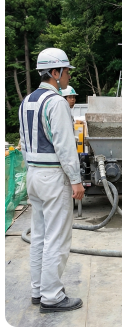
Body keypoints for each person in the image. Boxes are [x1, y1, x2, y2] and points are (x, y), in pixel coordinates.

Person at [19, 48, 84, 313]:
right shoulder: (56, 102)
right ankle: (52, 296)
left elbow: (24, 143)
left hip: (34, 174)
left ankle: (39, 290)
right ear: (55, 73)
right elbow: (65, 146)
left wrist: (31, 170)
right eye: (66, 71)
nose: (68, 76)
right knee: (57, 237)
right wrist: (76, 180)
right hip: (54, 176)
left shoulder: (27, 101)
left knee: (41, 236)